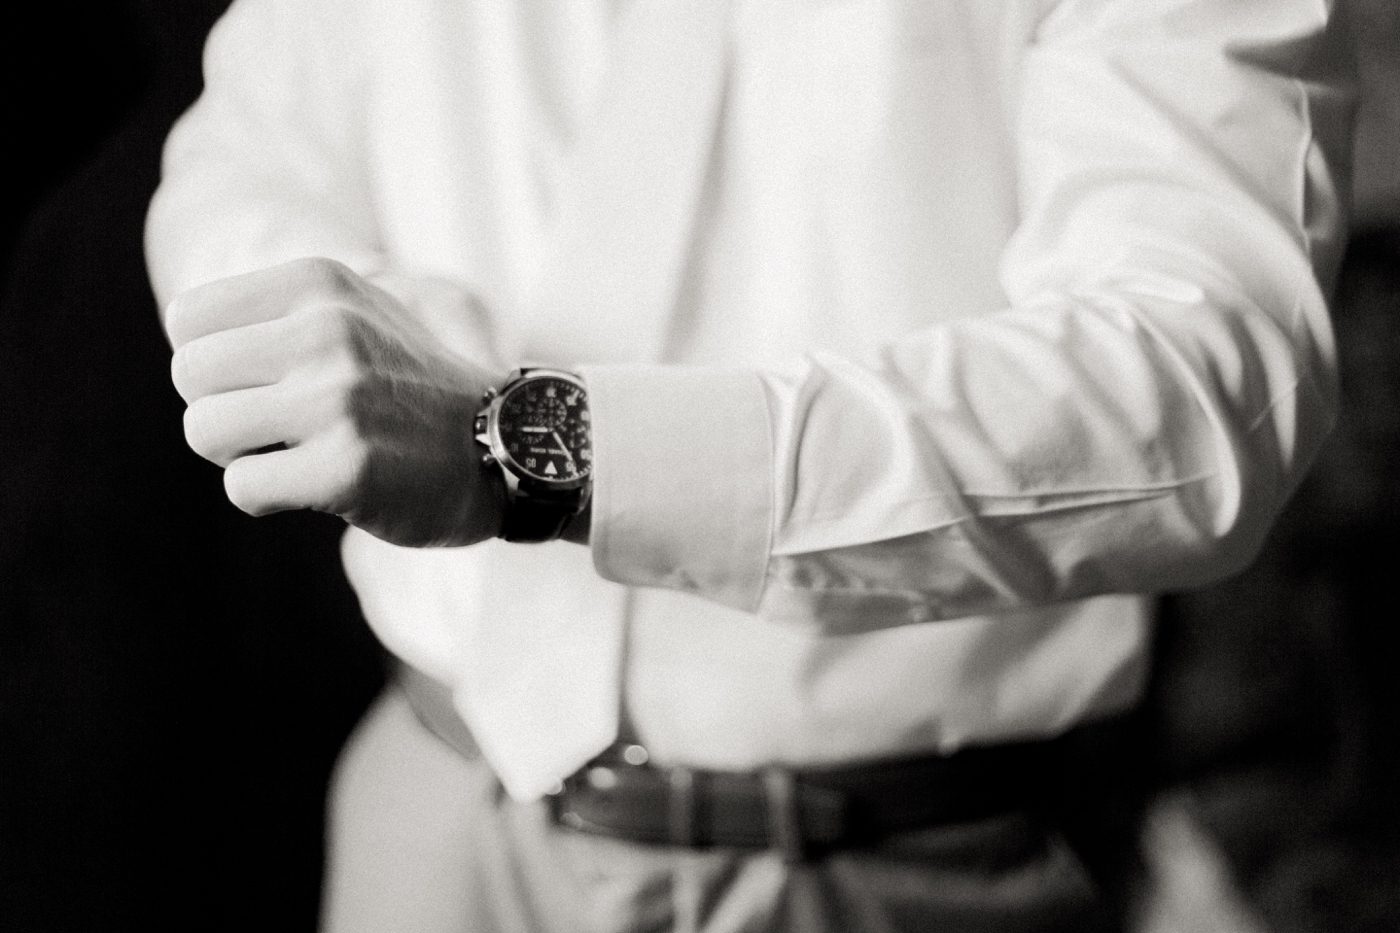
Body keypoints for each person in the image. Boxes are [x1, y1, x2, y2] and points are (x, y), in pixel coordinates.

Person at [145, 1, 1355, 930]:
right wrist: (395, 344)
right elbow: (245, 158)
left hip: (883, 868)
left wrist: (535, 447)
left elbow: (1205, 387)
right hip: (433, 804)